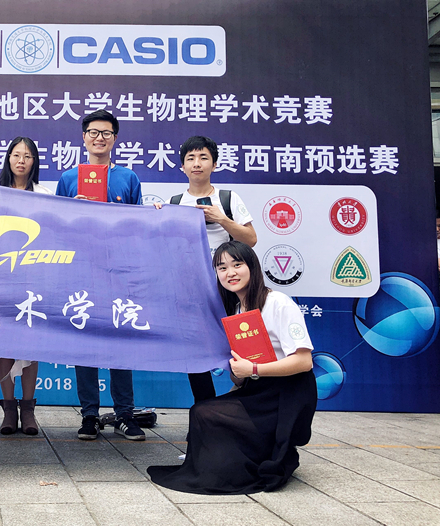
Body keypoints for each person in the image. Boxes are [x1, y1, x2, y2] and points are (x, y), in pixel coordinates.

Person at [147, 240, 317, 495]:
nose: (230, 273)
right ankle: (218, 467)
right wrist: (239, 376)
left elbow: (304, 362)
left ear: (252, 267)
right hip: (258, 388)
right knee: (202, 412)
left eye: (237, 265)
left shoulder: (278, 303)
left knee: (207, 413)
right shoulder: (236, 310)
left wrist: (254, 370)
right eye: (222, 268)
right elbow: (244, 368)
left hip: (287, 393)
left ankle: (255, 460)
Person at [55, 109, 145, 442]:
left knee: (120, 339)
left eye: (106, 133)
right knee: (85, 341)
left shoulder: (128, 178)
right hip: (81, 270)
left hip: (118, 271)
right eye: (93, 132)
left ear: (114, 139)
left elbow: (137, 226)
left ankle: (125, 414)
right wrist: (74, 211)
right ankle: (89, 415)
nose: (99, 138)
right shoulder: (68, 178)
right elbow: (56, 227)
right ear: (84, 138)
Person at [163, 136, 258, 408]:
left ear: (214, 164)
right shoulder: (174, 202)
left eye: (203, 158)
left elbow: (250, 239)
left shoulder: (228, 198)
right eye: (190, 159)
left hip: (230, 290)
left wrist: (222, 219)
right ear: (182, 167)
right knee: (196, 355)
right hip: (191, 292)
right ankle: (205, 412)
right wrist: (160, 215)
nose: (197, 164)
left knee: (242, 347)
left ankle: (247, 407)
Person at [0, 137, 52, 435]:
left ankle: (28, 410)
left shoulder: (44, 195)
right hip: (0, 276)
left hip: (34, 278)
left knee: (31, 345)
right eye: (16, 155)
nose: (21, 161)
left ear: (34, 161)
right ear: (8, 158)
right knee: (3, 344)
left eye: (27, 156)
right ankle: (9, 410)